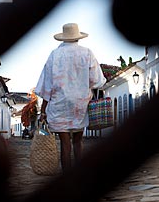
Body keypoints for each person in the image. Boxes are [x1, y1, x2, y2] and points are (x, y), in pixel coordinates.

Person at [35, 23, 106, 172]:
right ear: (77, 37)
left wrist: (43, 110)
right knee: (78, 141)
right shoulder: (87, 53)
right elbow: (96, 81)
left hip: (59, 103)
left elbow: (47, 85)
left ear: (63, 37)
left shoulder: (54, 55)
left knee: (65, 144)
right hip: (80, 103)